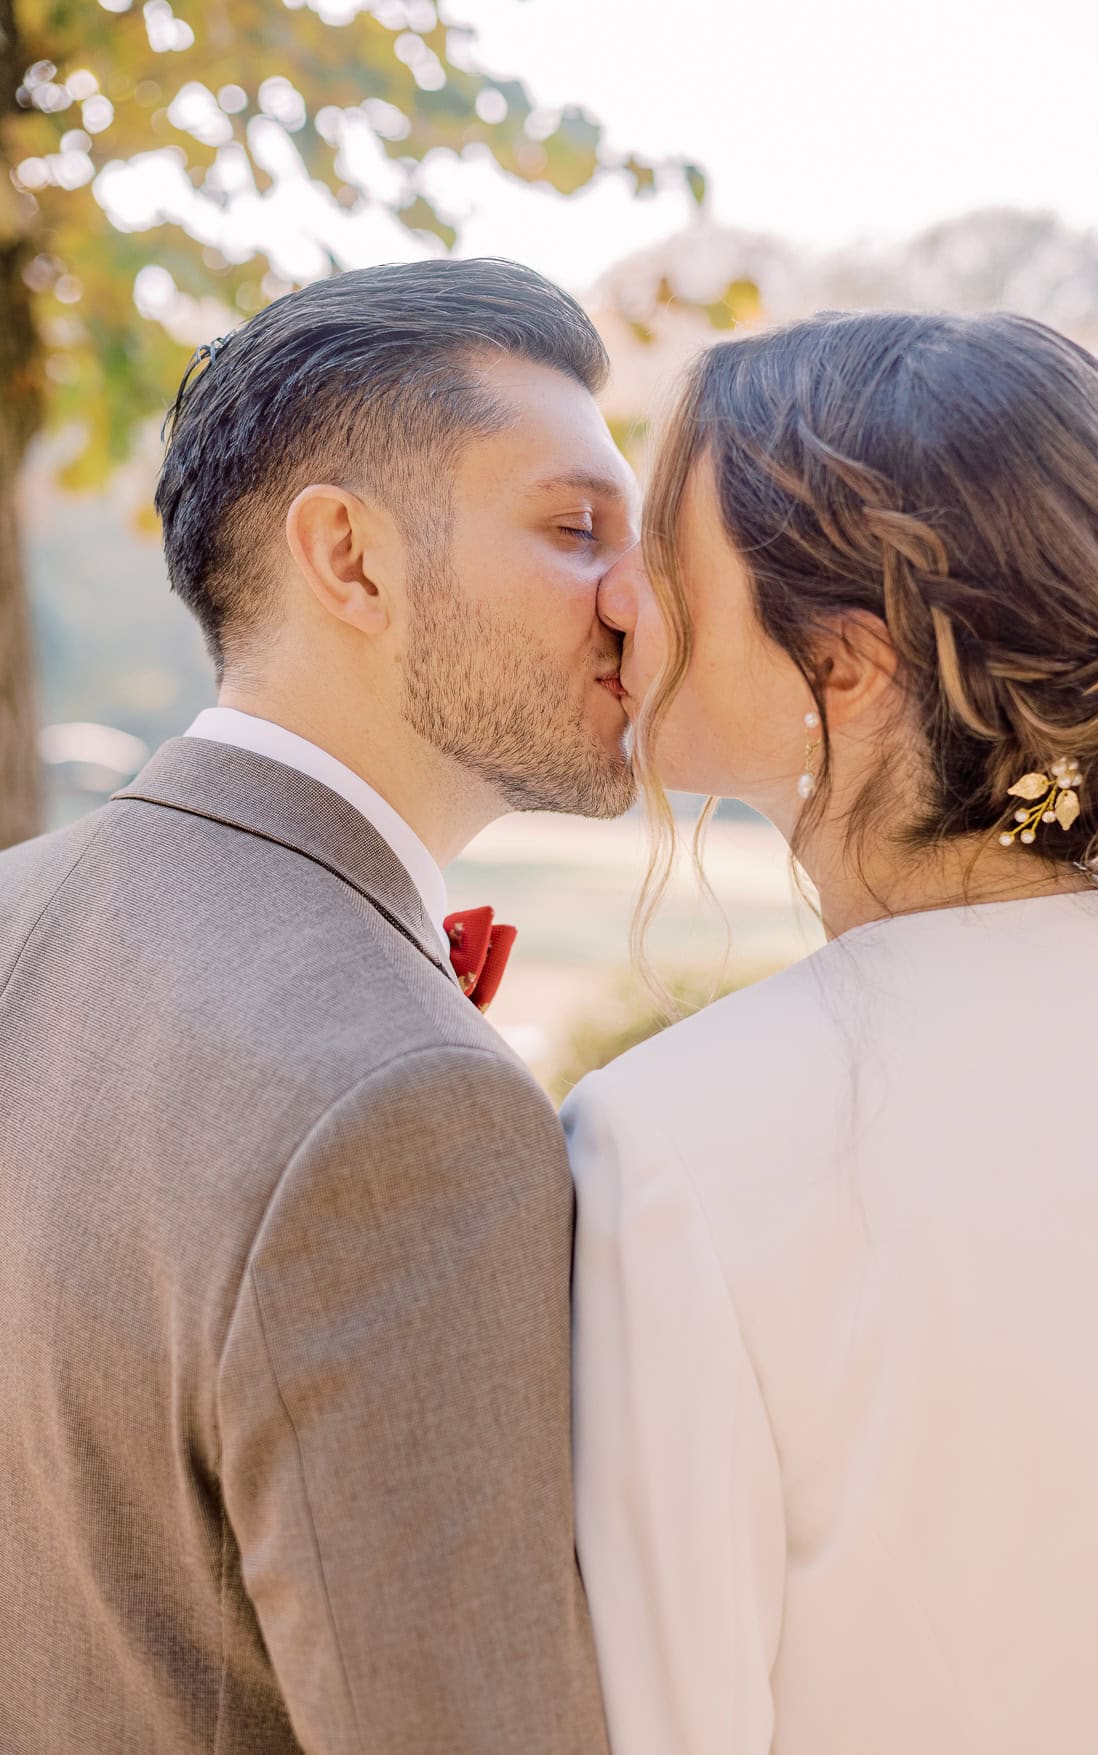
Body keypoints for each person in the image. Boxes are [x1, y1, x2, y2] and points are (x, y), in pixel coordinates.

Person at [0, 257, 637, 1754]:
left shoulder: (13, 904)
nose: (636, 599)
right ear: (347, 559)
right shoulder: (402, 1102)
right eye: (572, 531)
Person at [566, 310, 1098, 1754]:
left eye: (662, 553)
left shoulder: (669, 1152)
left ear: (844, 665)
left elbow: (666, 1721)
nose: (618, 605)